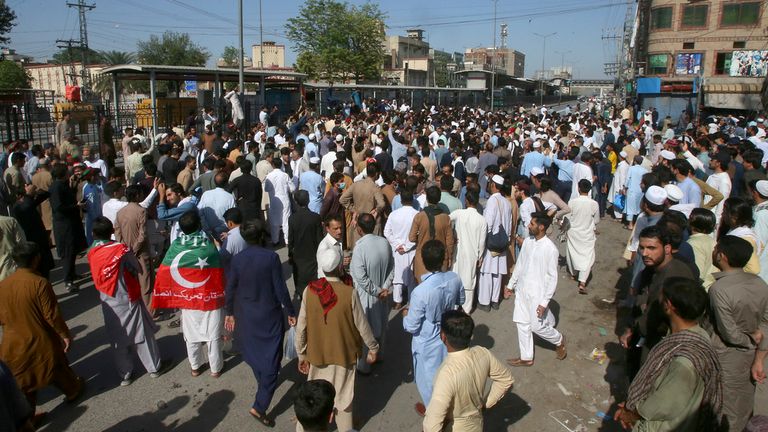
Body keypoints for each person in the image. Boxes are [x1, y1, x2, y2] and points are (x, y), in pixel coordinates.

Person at [614, 277, 723, 431]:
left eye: (661, 296)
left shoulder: (684, 362)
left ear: (669, 305)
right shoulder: (698, 335)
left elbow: (662, 404)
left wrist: (631, 413)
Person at [295, 241, 379, 432]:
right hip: (344, 357)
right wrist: (373, 347)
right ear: (340, 266)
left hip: (317, 357)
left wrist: (302, 355)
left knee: (313, 402)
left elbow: (301, 328)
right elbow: (362, 326)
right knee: (343, 402)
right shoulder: (349, 292)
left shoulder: (309, 291)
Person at [225, 219, 296, 427]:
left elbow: (230, 288)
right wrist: (290, 310)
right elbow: (280, 289)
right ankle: (260, 406)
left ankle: (262, 383)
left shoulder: (238, 260)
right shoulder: (271, 258)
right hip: (269, 315)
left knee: (255, 354)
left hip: (246, 315)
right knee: (273, 362)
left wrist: (229, 311)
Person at [0, 242, 84, 409]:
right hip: (40, 340)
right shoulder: (39, 282)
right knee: (56, 368)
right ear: (36, 259)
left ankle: (27, 417)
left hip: (12, 344)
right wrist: (64, 335)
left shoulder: (3, 285)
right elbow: (51, 315)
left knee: (25, 384)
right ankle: (73, 391)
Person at [87, 217, 167, 386]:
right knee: (142, 335)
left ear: (93, 234)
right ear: (111, 232)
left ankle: (126, 374)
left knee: (118, 338)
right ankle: (154, 368)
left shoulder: (91, 252)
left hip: (108, 301)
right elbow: (136, 268)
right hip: (127, 298)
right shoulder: (121, 250)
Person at [709, 235, 768, 432]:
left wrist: (750, 339)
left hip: (727, 356)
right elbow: (766, 324)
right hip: (751, 356)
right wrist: (759, 354)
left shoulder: (719, 289)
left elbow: (730, 334)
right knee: (744, 404)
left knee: (725, 409)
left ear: (722, 256)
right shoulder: (760, 284)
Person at [621, 225, 695, 380]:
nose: (644, 253)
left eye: (651, 248)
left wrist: (636, 328)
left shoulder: (674, 277)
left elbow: (658, 318)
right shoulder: (653, 268)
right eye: (641, 248)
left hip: (661, 341)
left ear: (667, 249)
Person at [423, 310, 514, 432]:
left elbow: (431, 427)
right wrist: (485, 404)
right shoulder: (483, 353)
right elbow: (505, 379)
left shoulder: (446, 374)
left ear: (443, 336)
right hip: (476, 424)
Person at [403, 240, 464, 415]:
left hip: (427, 338)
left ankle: (435, 414)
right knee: (448, 372)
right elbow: (461, 301)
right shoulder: (454, 278)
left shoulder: (421, 292)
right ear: (444, 259)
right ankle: (447, 409)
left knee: (428, 378)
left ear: (423, 261)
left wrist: (405, 316)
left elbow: (412, 325)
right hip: (448, 331)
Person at [506, 212, 567, 366]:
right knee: (521, 323)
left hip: (537, 294)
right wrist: (510, 285)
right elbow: (520, 265)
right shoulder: (528, 242)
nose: (528, 226)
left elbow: (553, 278)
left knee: (536, 326)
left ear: (541, 227)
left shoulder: (550, 249)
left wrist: (544, 302)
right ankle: (526, 357)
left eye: (532, 224)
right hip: (522, 290)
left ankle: (559, 339)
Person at [350, 213, 394, 374]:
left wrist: (376, 291)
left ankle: (364, 364)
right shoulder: (384, 243)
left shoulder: (360, 247)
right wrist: (384, 288)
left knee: (365, 329)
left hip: (367, 296)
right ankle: (380, 354)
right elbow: (392, 268)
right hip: (382, 293)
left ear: (359, 229)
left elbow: (360, 277)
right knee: (381, 324)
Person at [115, 185, 154, 314]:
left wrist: (125, 249)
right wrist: (135, 249)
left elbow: (118, 233)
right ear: (137, 195)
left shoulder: (120, 212)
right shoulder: (141, 211)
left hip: (126, 252)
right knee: (146, 283)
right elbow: (142, 235)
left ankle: (137, 309)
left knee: (132, 281)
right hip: (140, 252)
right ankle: (150, 311)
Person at [49, 163, 87, 292]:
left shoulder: (63, 185)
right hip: (64, 225)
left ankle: (72, 274)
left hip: (70, 222)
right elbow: (58, 207)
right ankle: (67, 280)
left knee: (72, 251)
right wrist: (76, 206)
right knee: (67, 252)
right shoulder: (56, 187)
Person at [449, 189, 487, 313]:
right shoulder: (482, 220)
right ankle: (466, 310)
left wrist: (451, 236)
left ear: (466, 201)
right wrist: (480, 257)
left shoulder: (459, 213)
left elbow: (446, 220)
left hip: (458, 253)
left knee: (456, 279)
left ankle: (454, 307)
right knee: (469, 283)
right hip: (472, 255)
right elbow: (481, 243)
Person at [478, 175, 512, 311]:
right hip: (502, 241)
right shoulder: (507, 202)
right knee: (498, 273)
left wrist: (484, 239)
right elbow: (509, 224)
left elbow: (488, 222)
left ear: (493, 185)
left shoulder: (492, 200)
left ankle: (485, 302)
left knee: (487, 272)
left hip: (492, 240)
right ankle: (495, 300)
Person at [409, 186, 455, 284]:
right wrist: (449, 257)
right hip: (440, 259)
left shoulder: (419, 216)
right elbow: (449, 242)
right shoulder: (446, 218)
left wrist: (421, 238)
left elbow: (411, 237)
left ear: (427, 198)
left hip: (422, 259)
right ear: (439, 199)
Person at [384, 189, 418, 310]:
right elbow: (417, 234)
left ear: (401, 200)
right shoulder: (417, 214)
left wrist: (397, 245)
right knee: (411, 277)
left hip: (397, 250)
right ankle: (410, 300)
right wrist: (406, 246)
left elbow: (387, 232)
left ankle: (397, 300)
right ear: (412, 200)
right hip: (411, 249)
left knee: (397, 276)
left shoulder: (394, 214)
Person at [11, 184, 53, 279]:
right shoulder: (21, 206)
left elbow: (46, 194)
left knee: (44, 268)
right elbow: (27, 205)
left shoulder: (28, 202)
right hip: (33, 240)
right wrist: (28, 194)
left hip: (38, 240)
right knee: (40, 269)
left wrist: (35, 190)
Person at [288, 190, 323, 300]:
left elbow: (291, 239)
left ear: (296, 202)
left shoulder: (292, 218)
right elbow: (319, 238)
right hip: (313, 254)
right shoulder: (315, 217)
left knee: (300, 279)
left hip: (299, 255)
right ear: (308, 200)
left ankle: (302, 295)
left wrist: (290, 254)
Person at [566, 179, 600, 294]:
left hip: (573, 233)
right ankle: (582, 282)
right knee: (588, 257)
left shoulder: (572, 202)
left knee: (572, 253)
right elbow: (596, 220)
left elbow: (567, 218)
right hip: (587, 234)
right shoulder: (594, 204)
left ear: (578, 188)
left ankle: (573, 273)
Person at [339, 163, 386, 245]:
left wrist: (354, 210)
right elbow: (381, 204)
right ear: (377, 173)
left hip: (359, 222)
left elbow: (342, 199)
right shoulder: (375, 187)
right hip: (372, 224)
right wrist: (377, 210)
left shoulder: (356, 184)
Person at [265, 158, 295, 246]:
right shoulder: (285, 175)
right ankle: (287, 241)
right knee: (286, 221)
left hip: (274, 201)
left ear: (273, 165)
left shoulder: (269, 176)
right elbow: (292, 188)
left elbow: (266, 188)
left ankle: (275, 240)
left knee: (274, 222)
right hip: (285, 200)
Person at [197, 171, 236, 240]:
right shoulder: (230, 197)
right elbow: (233, 217)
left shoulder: (206, 194)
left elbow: (200, 213)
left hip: (209, 234)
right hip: (224, 234)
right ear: (227, 183)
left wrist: (207, 228)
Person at [219, 208, 247, 274]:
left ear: (230, 223)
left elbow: (222, 259)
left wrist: (218, 246)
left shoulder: (229, 239)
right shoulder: (249, 230)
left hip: (238, 273)